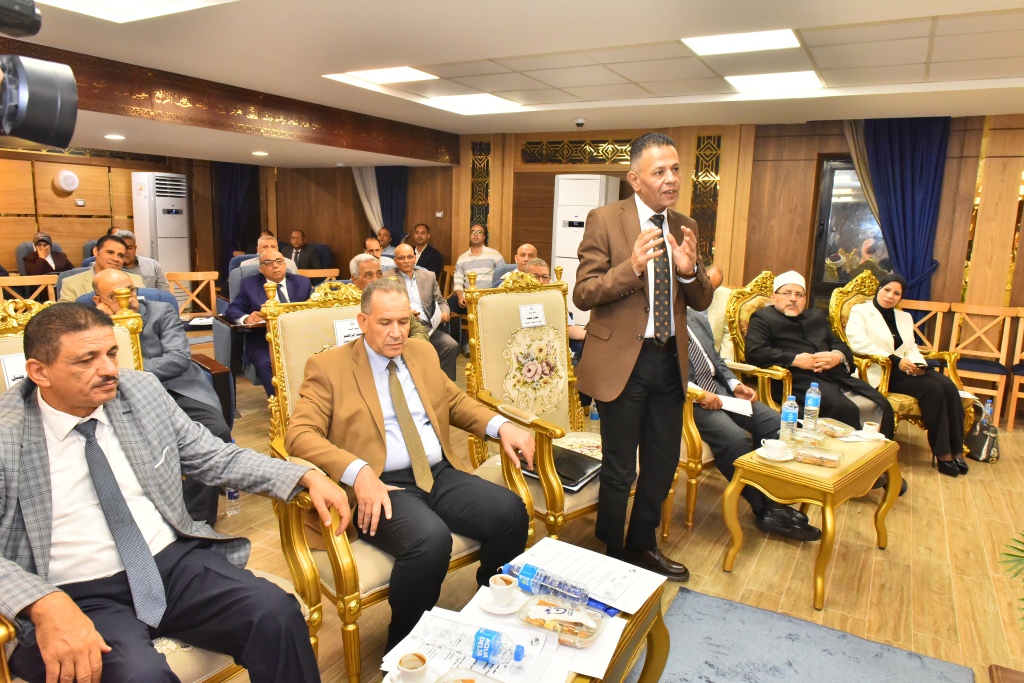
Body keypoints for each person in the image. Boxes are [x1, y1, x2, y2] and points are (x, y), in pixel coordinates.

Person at [0, 302, 349, 683]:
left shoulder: (141, 391)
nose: (109, 369)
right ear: (39, 372)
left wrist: (303, 475)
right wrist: (44, 604)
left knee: (274, 612)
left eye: (111, 353)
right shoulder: (7, 433)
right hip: (76, 591)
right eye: (87, 360)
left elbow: (214, 456)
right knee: (141, 676)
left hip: (169, 562)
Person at [284, 277, 534, 650]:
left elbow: (454, 402)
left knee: (510, 512)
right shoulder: (328, 367)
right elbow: (300, 434)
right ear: (363, 321)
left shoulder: (422, 352)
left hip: (438, 473)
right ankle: (404, 648)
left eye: (404, 321)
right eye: (385, 322)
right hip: (381, 485)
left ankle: (489, 612)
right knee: (429, 540)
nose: (397, 332)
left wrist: (502, 426)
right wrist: (358, 471)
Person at [573, 132, 712, 580]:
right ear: (635, 179)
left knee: (663, 462)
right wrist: (631, 267)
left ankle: (642, 545)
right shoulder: (604, 220)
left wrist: (689, 272)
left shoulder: (685, 224)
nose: (672, 179)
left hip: (668, 360)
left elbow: (702, 299)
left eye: (676, 169)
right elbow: (584, 292)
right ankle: (611, 551)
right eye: (660, 172)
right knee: (619, 468)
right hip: (621, 363)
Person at [92, 269, 229, 524]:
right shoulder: (92, 323)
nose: (127, 299)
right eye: (116, 295)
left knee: (215, 431)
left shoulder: (160, 311)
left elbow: (178, 358)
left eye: (130, 291)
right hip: (121, 396)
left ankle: (196, 519)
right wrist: (108, 324)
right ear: (98, 300)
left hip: (178, 386)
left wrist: (132, 372)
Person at [687, 306, 820, 541]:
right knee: (734, 439)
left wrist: (735, 384)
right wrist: (698, 394)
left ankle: (774, 499)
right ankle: (765, 508)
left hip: (721, 390)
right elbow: (659, 373)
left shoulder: (695, 318)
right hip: (688, 401)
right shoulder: (657, 324)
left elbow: (715, 360)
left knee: (778, 425)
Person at [745, 271, 896, 439]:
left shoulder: (815, 316)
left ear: (805, 299)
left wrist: (837, 356)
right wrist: (794, 360)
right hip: (796, 380)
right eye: (786, 293)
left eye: (798, 294)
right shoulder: (762, 318)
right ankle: (850, 451)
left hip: (835, 376)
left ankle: (876, 451)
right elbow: (754, 352)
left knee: (881, 403)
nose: (793, 299)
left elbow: (839, 344)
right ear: (774, 297)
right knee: (844, 408)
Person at [845, 274, 968, 477]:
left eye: (896, 293)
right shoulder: (861, 311)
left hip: (906, 368)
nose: (890, 296)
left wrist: (918, 364)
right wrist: (896, 360)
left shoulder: (904, 317)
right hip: (881, 371)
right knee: (934, 389)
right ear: (879, 289)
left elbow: (910, 347)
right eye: (887, 290)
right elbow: (858, 343)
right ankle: (943, 454)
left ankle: (957, 450)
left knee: (948, 386)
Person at [224, 250, 313, 396]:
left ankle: (311, 400)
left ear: (285, 264)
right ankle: (280, 404)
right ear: (261, 269)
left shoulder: (302, 282)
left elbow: (315, 307)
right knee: (265, 362)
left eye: (279, 261)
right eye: (269, 263)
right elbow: (232, 310)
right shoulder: (250, 284)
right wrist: (246, 318)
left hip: (299, 338)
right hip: (264, 340)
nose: (275, 266)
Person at [385, 244, 458, 380]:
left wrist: (445, 312)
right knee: (419, 348)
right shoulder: (387, 277)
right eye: (402, 258)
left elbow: (441, 301)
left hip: (428, 327)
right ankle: (418, 384)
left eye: (409, 257)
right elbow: (385, 305)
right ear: (395, 260)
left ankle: (444, 384)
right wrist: (406, 313)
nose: (406, 261)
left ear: (415, 258)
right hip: (403, 328)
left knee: (450, 345)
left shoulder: (428, 276)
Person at [449, 225, 506, 353]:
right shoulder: (462, 258)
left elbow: (504, 276)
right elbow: (458, 282)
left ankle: (488, 346)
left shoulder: (494, 254)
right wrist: (460, 297)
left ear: (484, 237)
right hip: (467, 297)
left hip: (488, 297)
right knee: (445, 307)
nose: (475, 234)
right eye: (473, 232)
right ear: (470, 236)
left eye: (479, 232)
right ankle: (465, 344)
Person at [350, 253, 430, 342]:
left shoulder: (393, 299)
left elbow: (420, 331)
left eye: (379, 273)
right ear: (355, 279)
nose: (376, 279)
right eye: (369, 275)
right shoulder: (343, 307)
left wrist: (404, 346)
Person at [59, 235, 144, 302]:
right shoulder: (71, 283)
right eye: (110, 252)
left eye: (120, 255)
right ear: (96, 251)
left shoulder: (136, 280)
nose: (116, 259)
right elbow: (64, 315)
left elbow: (145, 310)